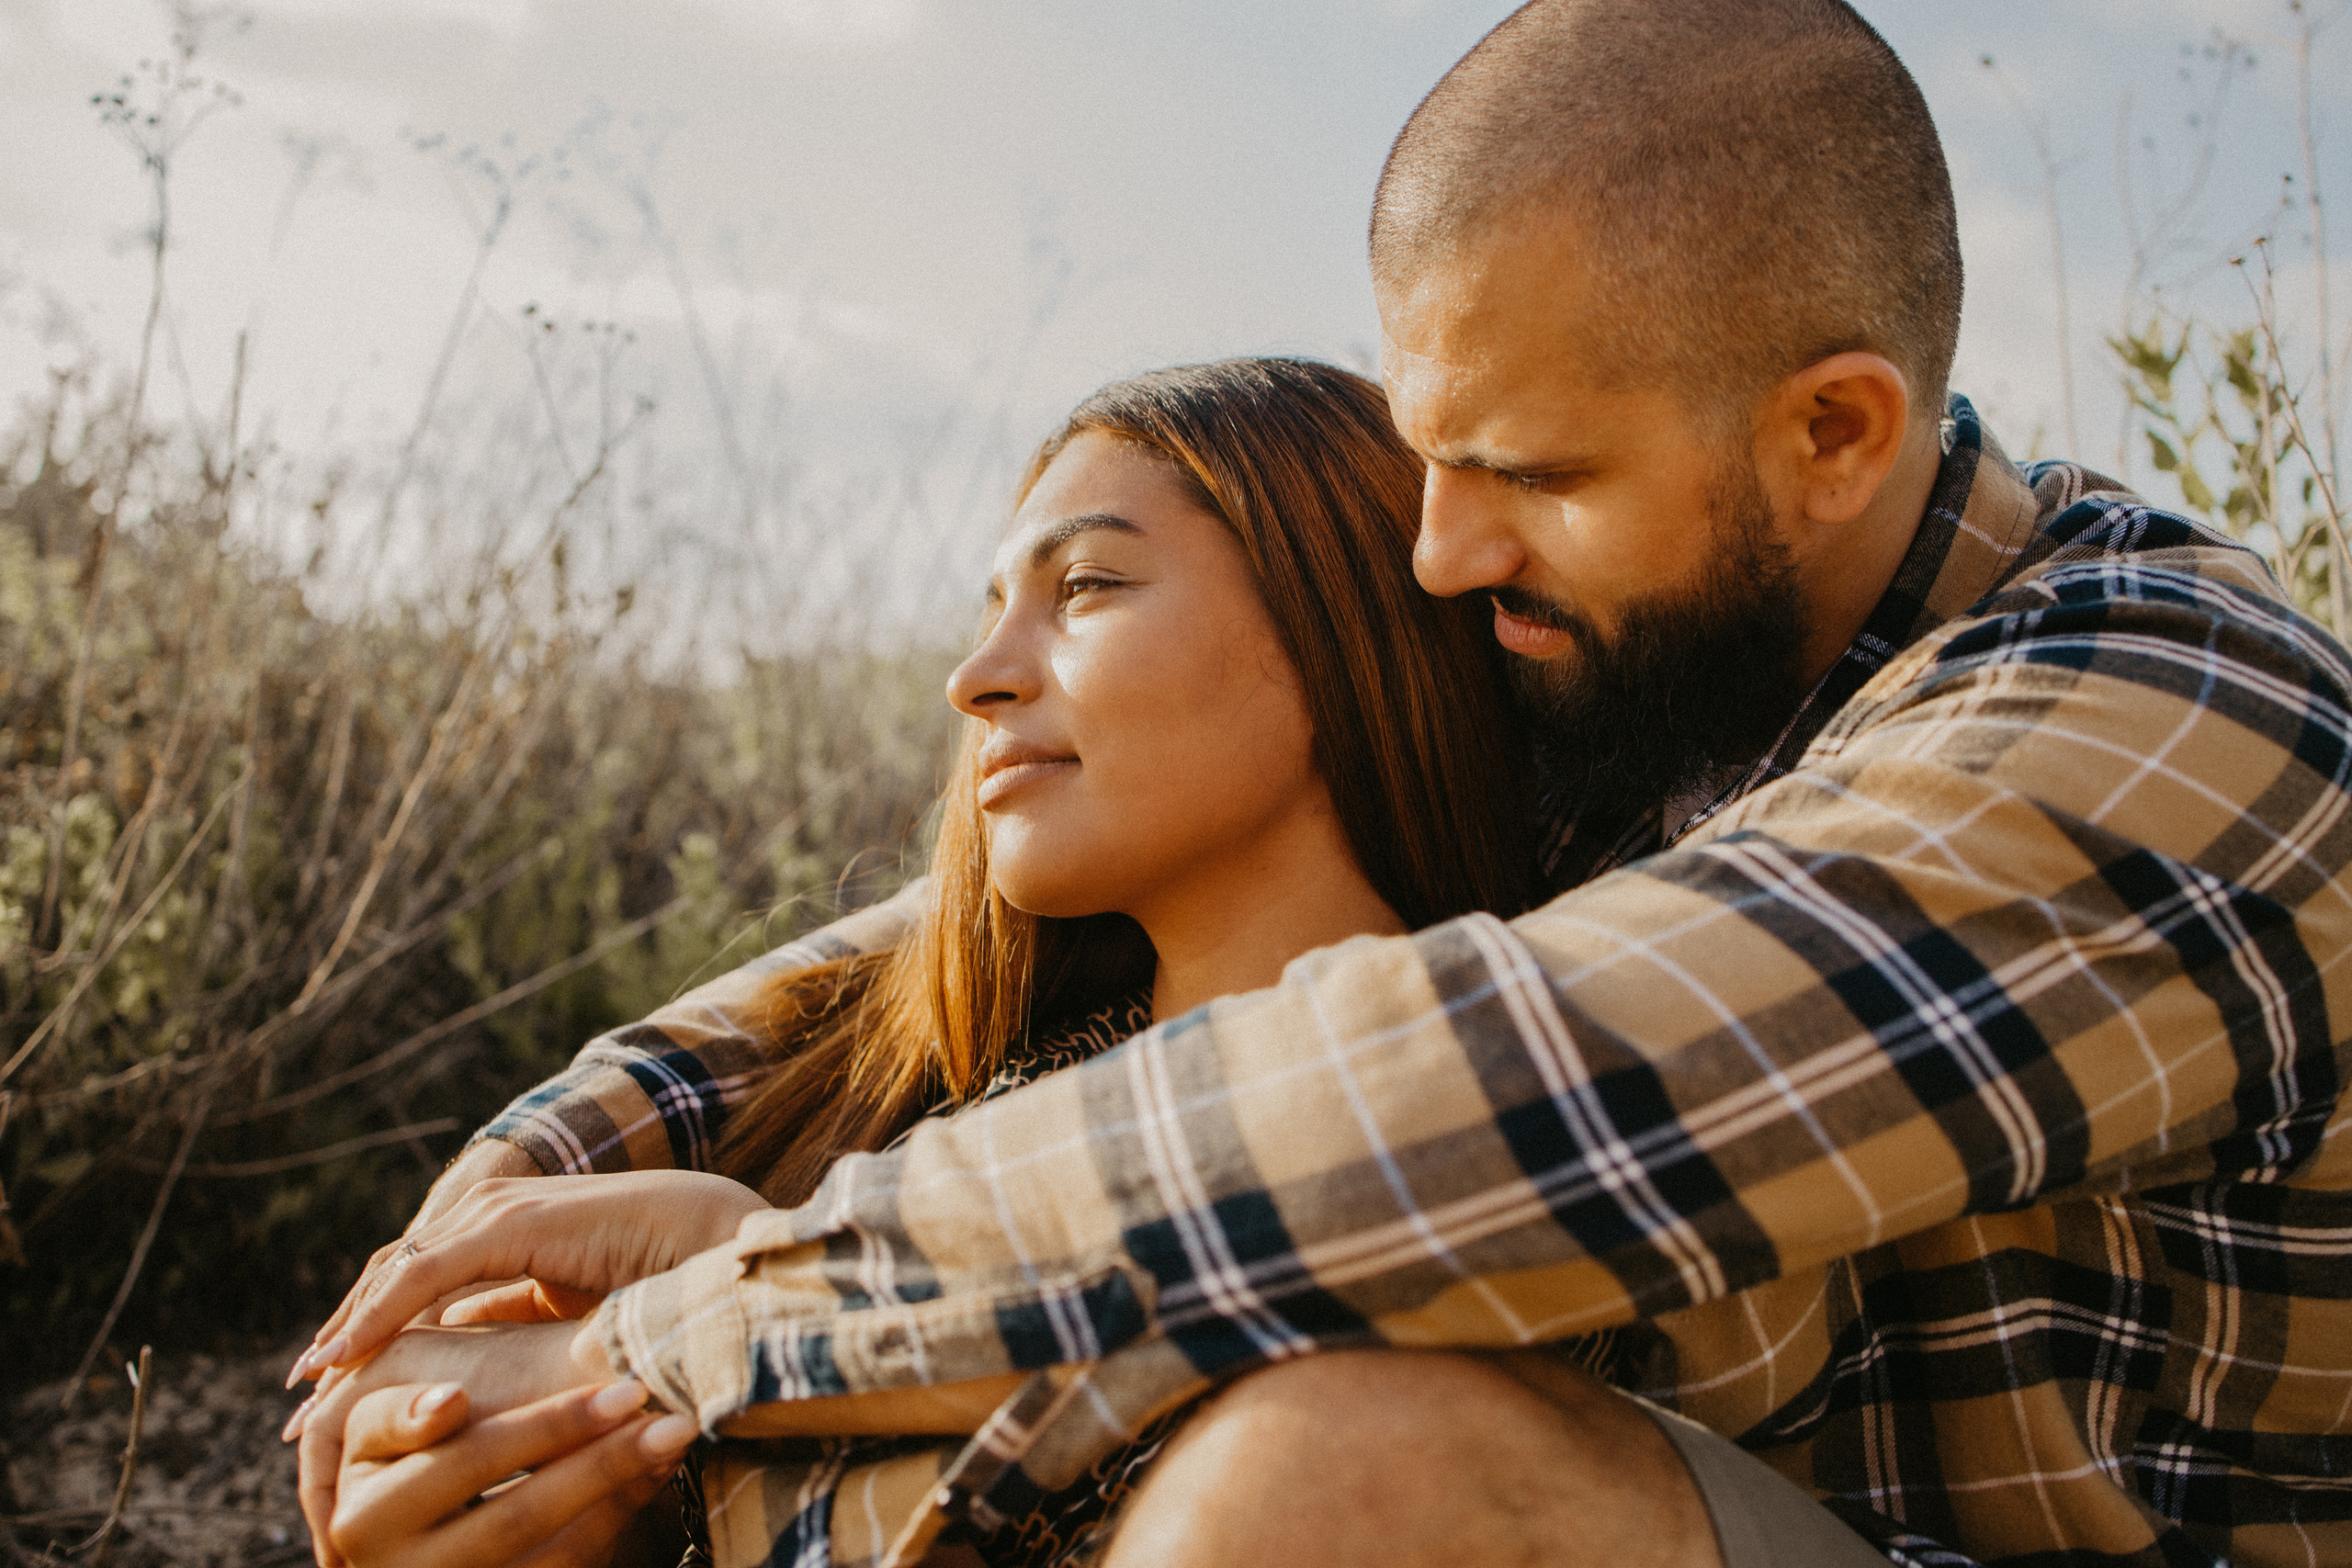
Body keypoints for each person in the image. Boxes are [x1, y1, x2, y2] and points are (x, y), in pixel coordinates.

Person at [295, 1, 2352, 1564]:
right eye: (1427, 449)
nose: (1437, 556)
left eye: (1525, 475)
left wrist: (674, 1349)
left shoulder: (2165, 719)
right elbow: (930, 944)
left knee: (1349, 1458)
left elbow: (1426, 1123)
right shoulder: (1653, 653)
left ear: (1830, 432)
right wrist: (520, 1209)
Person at [288, 355, 1539, 1565]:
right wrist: (578, 1495)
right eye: (991, 611)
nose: (976, 678)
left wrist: (733, 1311)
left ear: (1339, 628)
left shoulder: (1511, 1139)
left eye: (1090, 585)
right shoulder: (952, 1098)